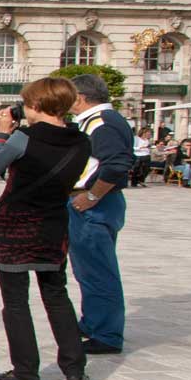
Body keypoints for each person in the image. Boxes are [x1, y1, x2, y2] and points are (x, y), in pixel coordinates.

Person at [0, 76, 93, 380]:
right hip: (53, 225)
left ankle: (26, 371)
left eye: (27, 103)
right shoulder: (81, 141)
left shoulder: (23, 139)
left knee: (15, 301)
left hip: (17, 225)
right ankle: (74, 368)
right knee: (57, 296)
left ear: (37, 105)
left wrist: (1, 133)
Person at [67, 72, 133, 356]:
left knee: (98, 270)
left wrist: (92, 195)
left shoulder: (101, 124)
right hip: (98, 204)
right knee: (87, 269)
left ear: (80, 98)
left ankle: (106, 333)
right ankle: (93, 322)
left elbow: (117, 164)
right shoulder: (103, 120)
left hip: (95, 205)